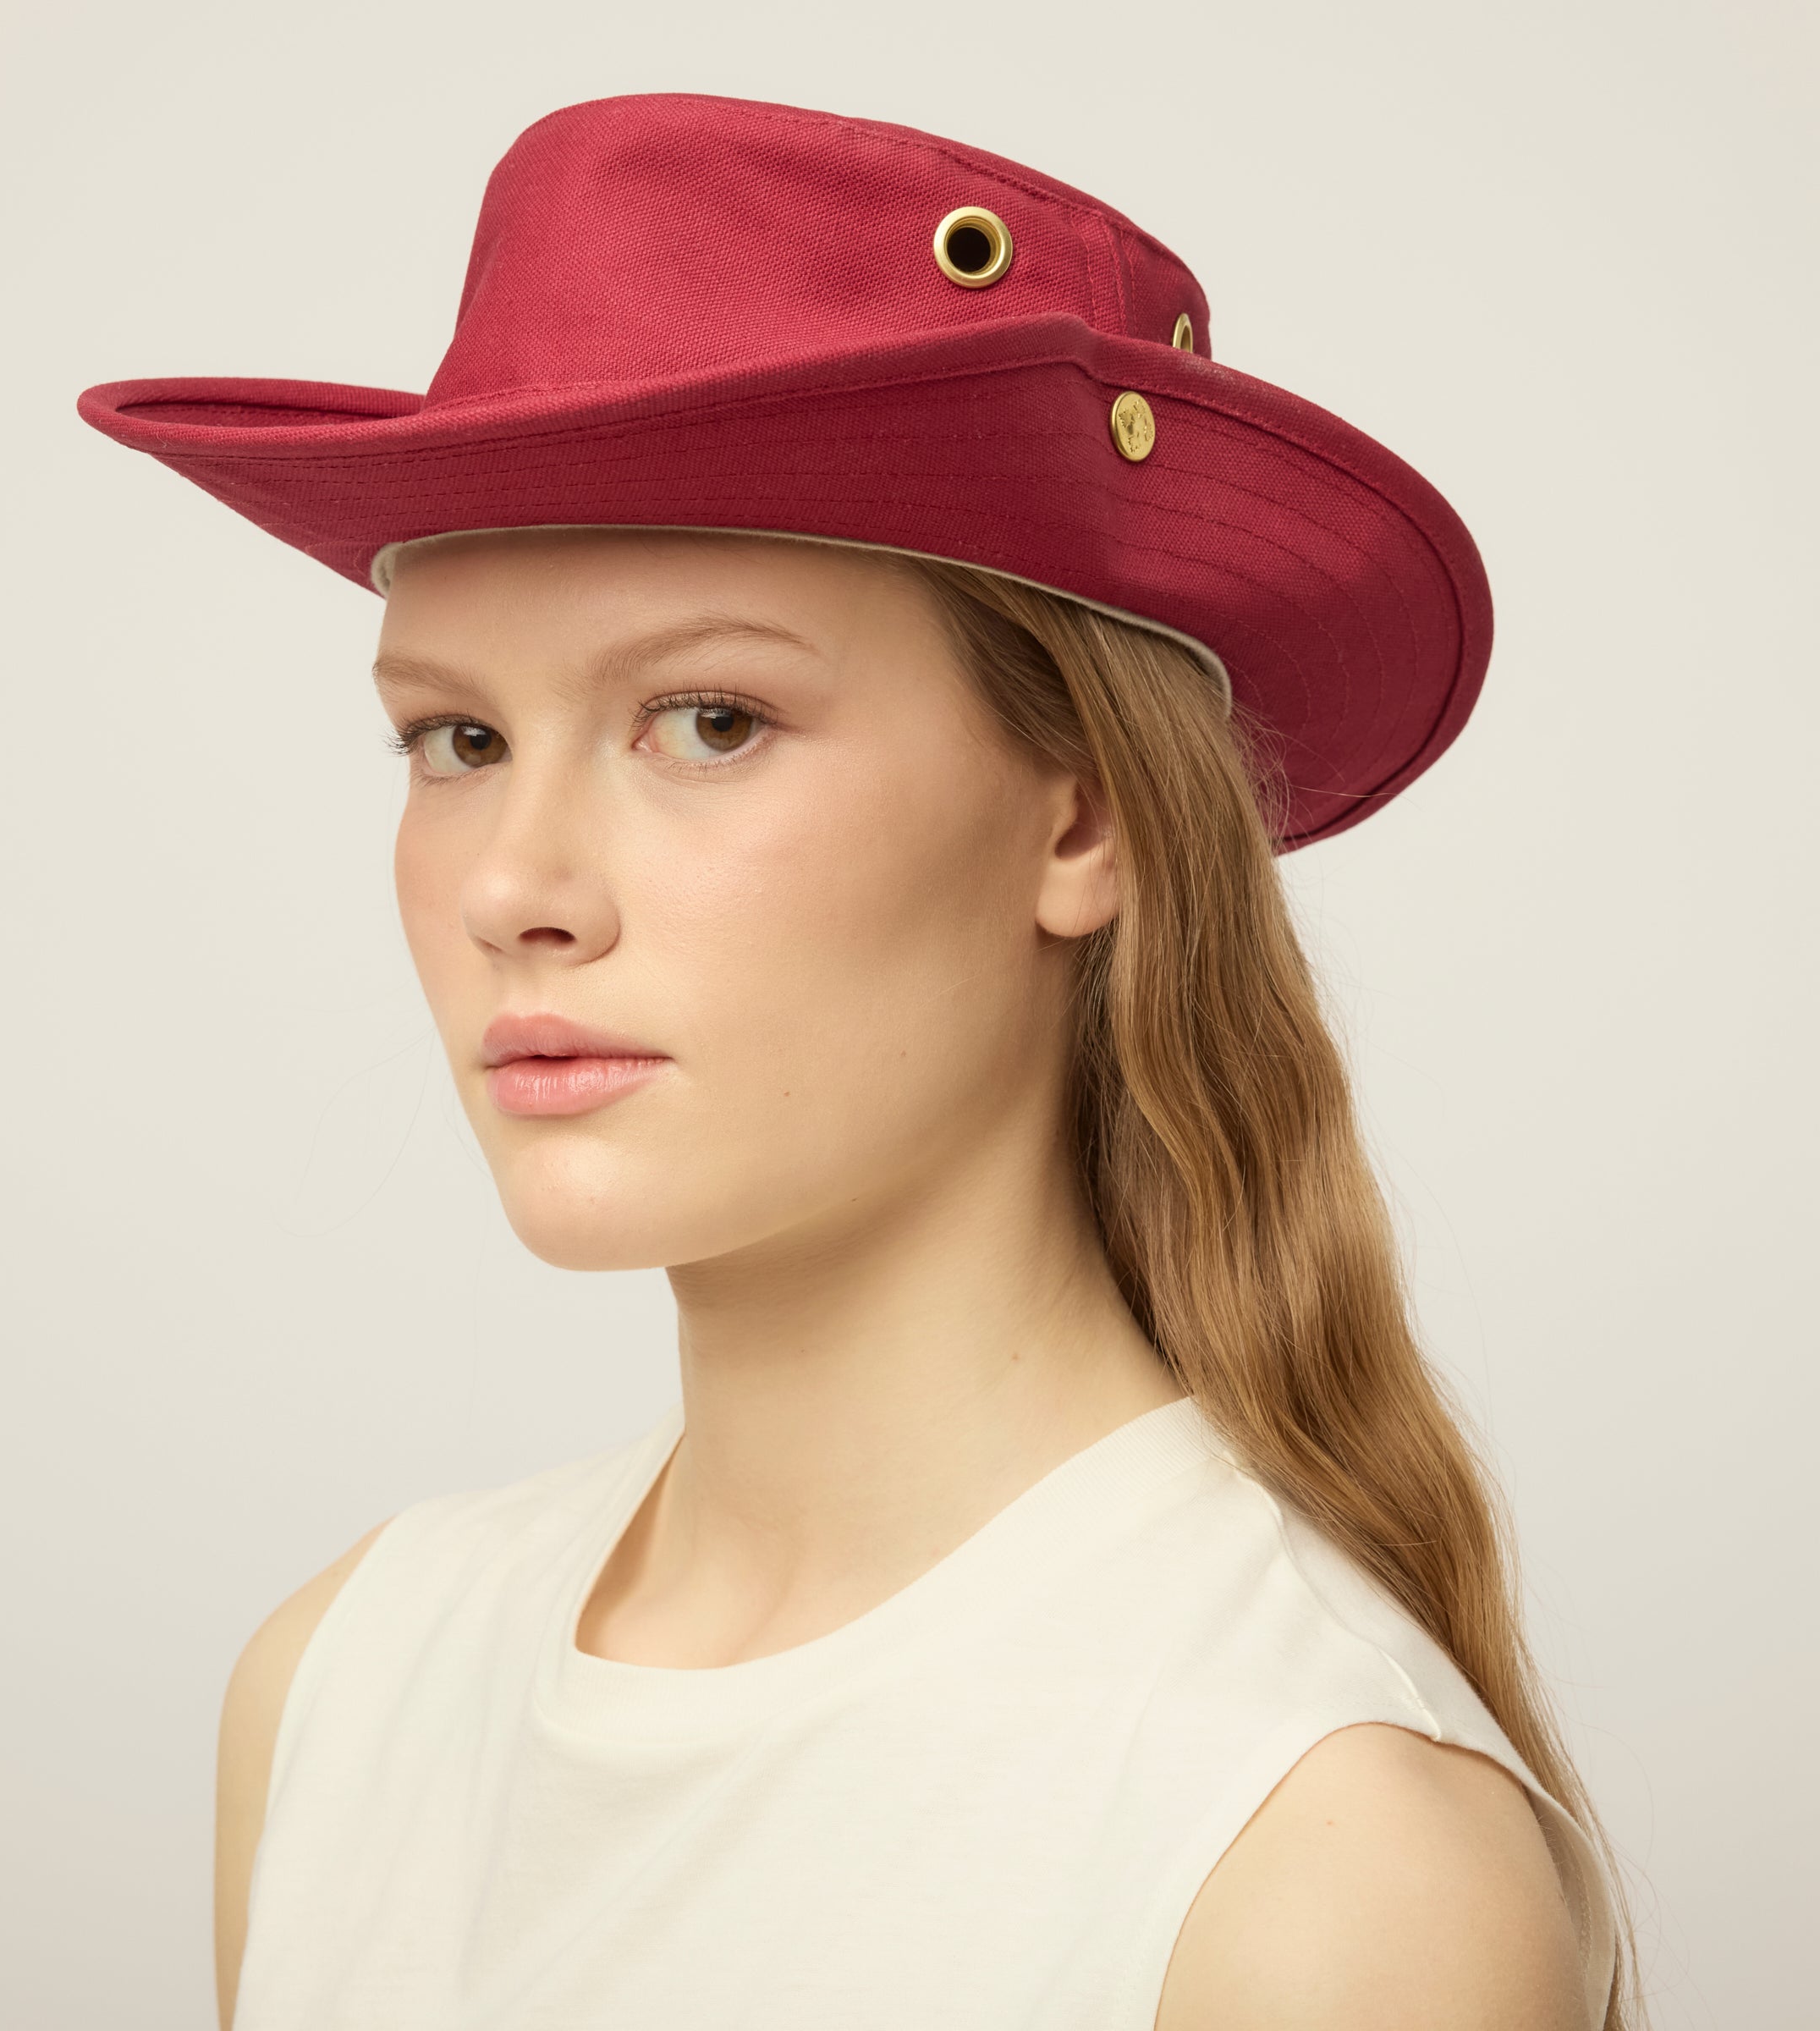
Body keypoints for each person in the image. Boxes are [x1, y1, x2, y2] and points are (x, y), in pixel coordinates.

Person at [79, 91, 1635, 2031]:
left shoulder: (1314, 1861)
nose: (516, 890)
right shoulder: (339, 1689)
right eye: (456, 740)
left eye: (710, 719)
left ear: (1084, 816)